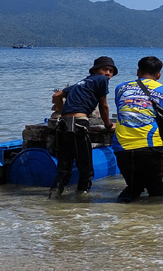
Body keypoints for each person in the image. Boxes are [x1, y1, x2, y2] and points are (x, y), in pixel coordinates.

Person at [111, 56, 163, 203]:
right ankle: (154, 221)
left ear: (138, 71)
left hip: (122, 147)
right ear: (159, 75)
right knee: (156, 192)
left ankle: (125, 219)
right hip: (150, 147)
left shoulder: (120, 87)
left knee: (133, 187)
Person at [49, 56, 116, 199]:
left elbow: (57, 95)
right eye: (104, 69)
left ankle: (52, 200)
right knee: (86, 170)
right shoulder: (101, 80)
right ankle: (82, 204)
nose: (108, 73)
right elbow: (103, 106)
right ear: (96, 70)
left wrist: (61, 111)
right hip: (79, 123)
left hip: (63, 125)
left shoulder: (82, 82)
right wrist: (108, 125)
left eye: (111, 71)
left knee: (63, 170)